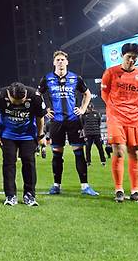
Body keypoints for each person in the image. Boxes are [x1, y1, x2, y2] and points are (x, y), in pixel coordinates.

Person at [38, 51, 98, 196]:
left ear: (67, 62)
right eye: (57, 60)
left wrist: (83, 109)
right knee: (57, 155)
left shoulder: (75, 78)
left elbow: (87, 94)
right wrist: (45, 109)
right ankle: (56, 186)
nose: (60, 62)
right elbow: (37, 95)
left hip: (73, 120)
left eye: (62, 59)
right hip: (56, 121)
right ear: (54, 63)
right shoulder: (47, 79)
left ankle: (85, 186)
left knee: (79, 153)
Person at [101, 43, 138, 203]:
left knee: (134, 153)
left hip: (135, 118)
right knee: (119, 151)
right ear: (123, 56)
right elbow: (104, 93)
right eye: (129, 57)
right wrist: (113, 107)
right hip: (116, 116)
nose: (131, 60)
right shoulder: (111, 72)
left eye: (134, 58)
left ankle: (135, 191)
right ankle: (119, 189)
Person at [0, 82, 46, 206]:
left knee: (29, 163)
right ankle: (10, 195)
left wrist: (40, 135)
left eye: (21, 101)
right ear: (9, 95)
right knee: (9, 164)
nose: (19, 104)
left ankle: (29, 195)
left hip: (27, 135)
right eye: (15, 101)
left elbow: (40, 117)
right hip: (8, 135)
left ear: (25, 94)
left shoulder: (35, 96)